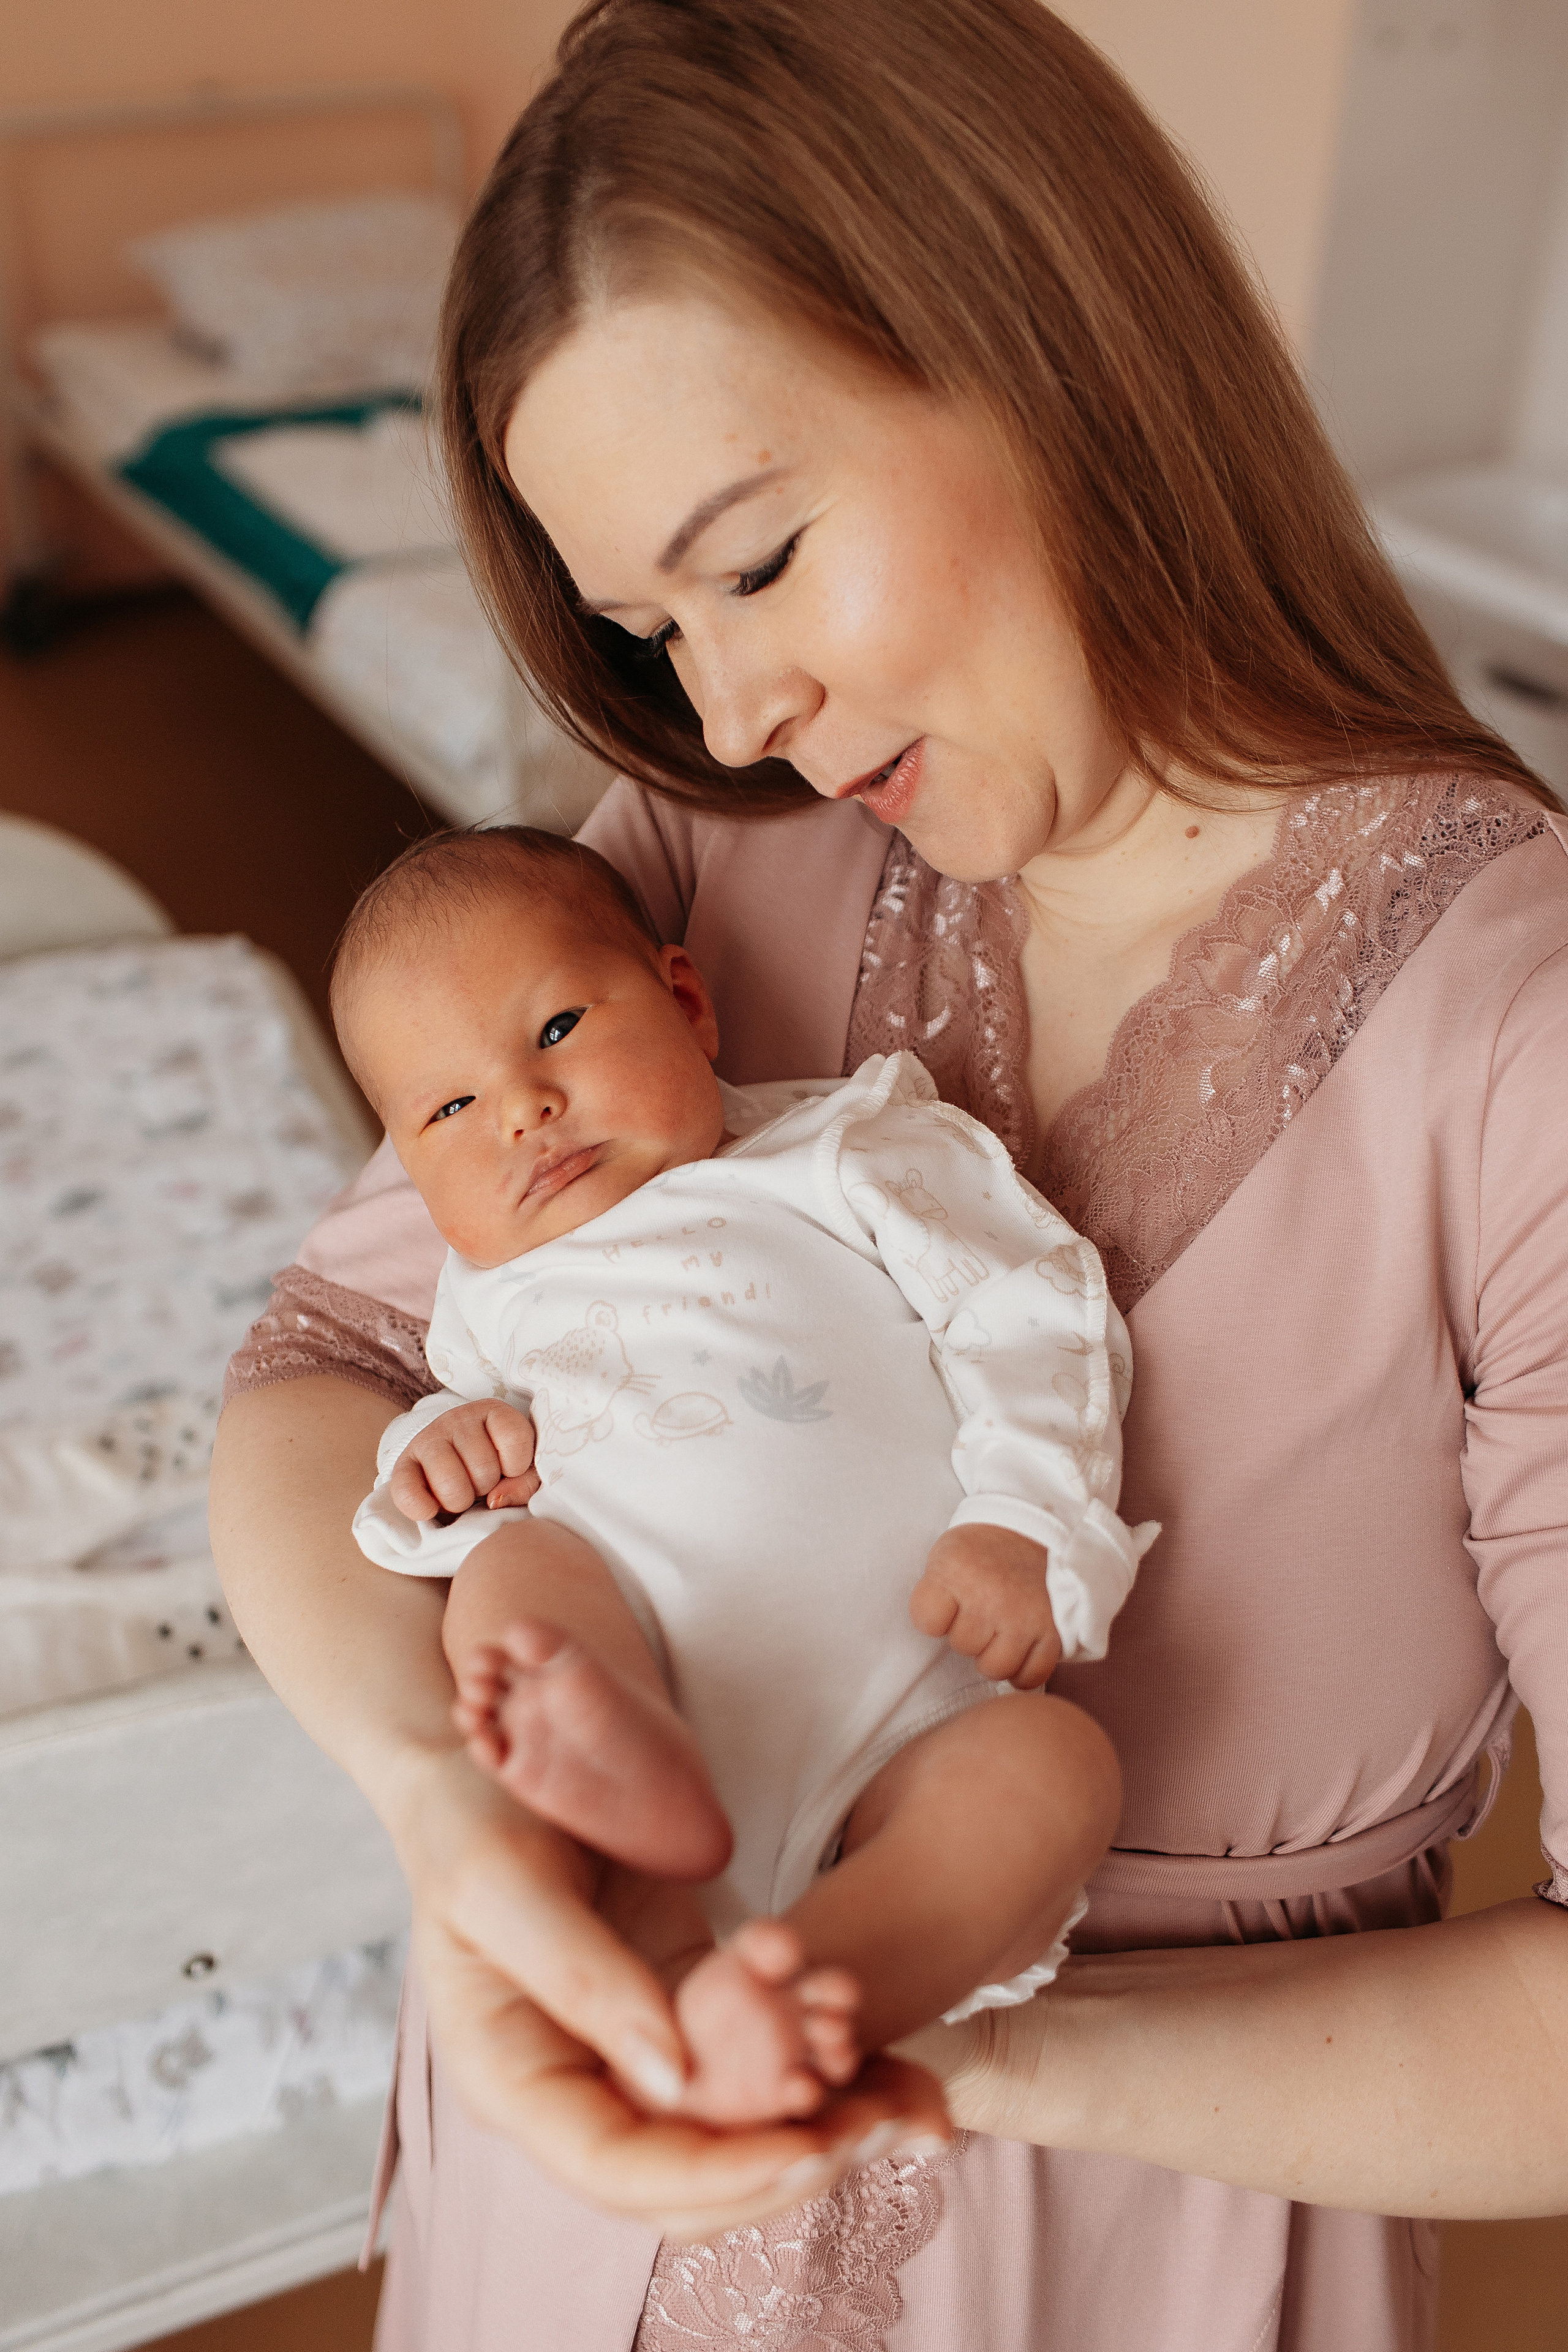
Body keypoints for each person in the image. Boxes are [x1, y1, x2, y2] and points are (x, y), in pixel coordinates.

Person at [210, 1, 1568, 2345]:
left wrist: (938, 2055)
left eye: (758, 562)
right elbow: (321, 1365)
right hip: (563, 2234)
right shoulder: (691, 873)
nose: (729, 716)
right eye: (652, 629)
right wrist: (461, 1823)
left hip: (1129, 2262)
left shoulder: (1512, 1044)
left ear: (1043, 345)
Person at [336, 823, 1147, 2125]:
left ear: (686, 1002)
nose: (523, 1110)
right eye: (447, 1109)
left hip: (904, 1701)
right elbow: (444, 1468)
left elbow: (1023, 1311)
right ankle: (614, 1753)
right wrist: (427, 1451)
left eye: (552, 1032)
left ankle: (810, 1980)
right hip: (636, 1654)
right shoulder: (483, 1298)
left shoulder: (841, 1153)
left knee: (1051, 1770)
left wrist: (1022, 1514)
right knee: (515, 1561)